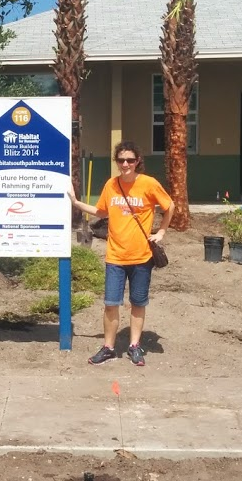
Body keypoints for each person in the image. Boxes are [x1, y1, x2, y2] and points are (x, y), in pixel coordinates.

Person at [68, 141, 174, 367]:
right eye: (121, 160)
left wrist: (161, 231)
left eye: (130, 160)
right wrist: (77, 203)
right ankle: (108, 347)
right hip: (115, 256)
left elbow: (169, 206)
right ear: (116, 162)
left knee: (138, 303)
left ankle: (134, 346)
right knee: (110, 303)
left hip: (141, 257)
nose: (125, 164)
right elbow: (101, 211)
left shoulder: (148, 184)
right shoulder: (111, 185)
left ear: (137, 162)